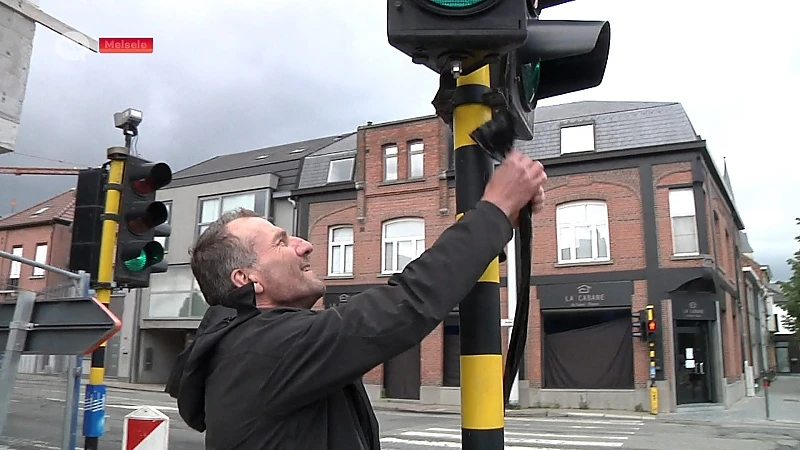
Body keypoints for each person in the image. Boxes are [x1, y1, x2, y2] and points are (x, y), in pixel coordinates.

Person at [166, 150, 547, 449]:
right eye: (282, 242)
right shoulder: (263, 349)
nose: (306, 245)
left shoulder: (253, 348)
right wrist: (494, 211)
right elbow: (405, 303)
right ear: (246, 279)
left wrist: (495, 227)